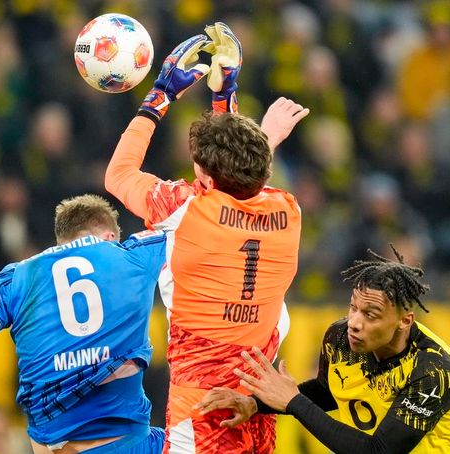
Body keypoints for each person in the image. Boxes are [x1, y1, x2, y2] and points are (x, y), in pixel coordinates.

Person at [105, 23, 310, 453]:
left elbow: (119, 175)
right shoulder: (287, 210)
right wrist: (226, 95)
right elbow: (245, 172)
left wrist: (160, 95)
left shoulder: (183, 208)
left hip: (201, 405)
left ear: (203, 177)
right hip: (258, 399)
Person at [0, 194, 167, 454]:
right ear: (110, 237)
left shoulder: (14, 280)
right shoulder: (132, 255)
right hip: (130, 446)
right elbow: (187, 226)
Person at [196, 246, 450, 453]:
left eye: (370, 315)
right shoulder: (340, 339)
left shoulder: (434, 371)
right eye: (353, 308)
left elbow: (379, 451)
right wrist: (256, 403)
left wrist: (294, 402)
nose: (354, 323)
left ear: (404, 321)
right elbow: (328, 391)